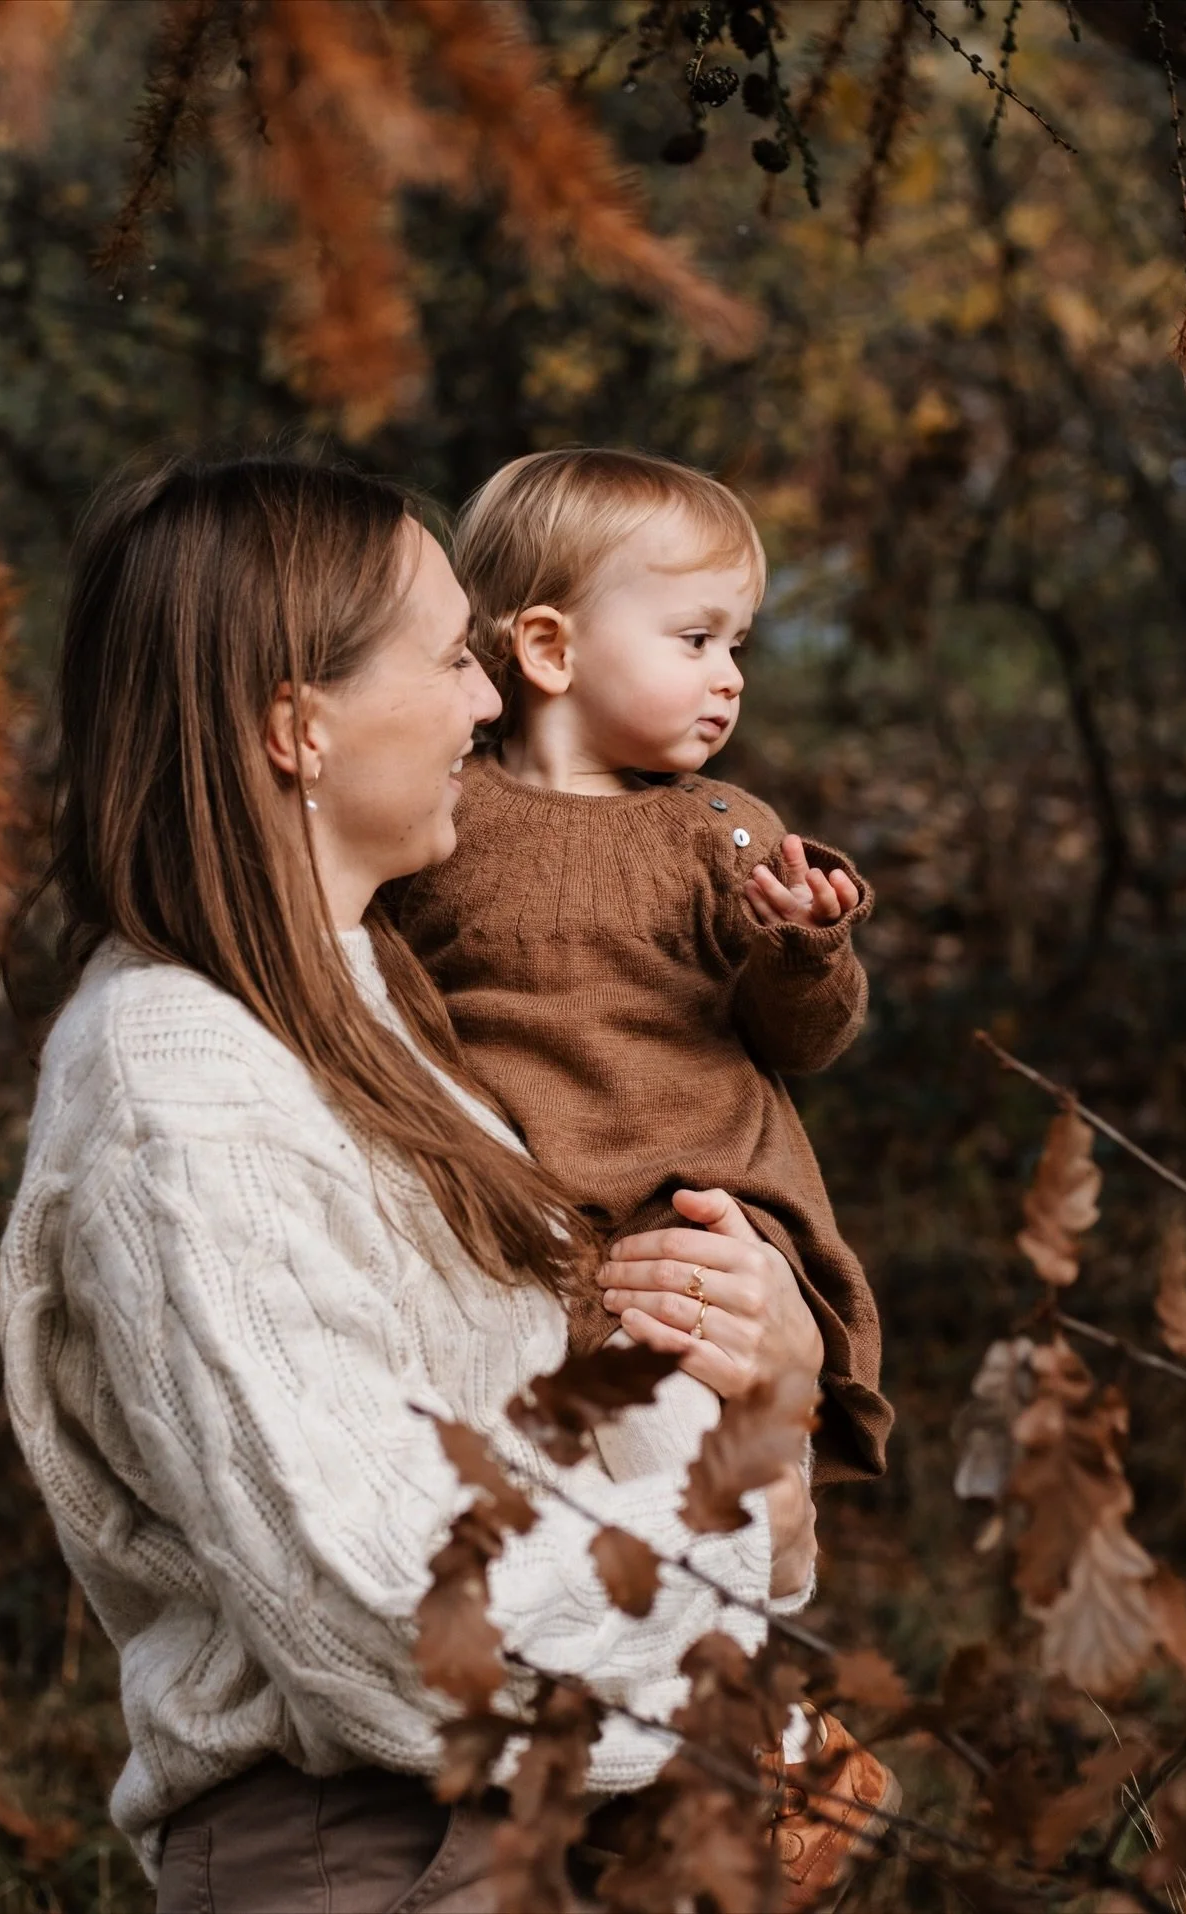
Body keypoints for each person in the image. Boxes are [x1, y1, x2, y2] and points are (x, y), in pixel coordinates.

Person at [0, 452, 832, 1914]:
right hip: (373, 1851)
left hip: (531, 1814)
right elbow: (392, 1621)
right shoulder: (178, 1086)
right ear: (295, 722)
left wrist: (767, 1367)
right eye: (454, 656)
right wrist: (757, 1518)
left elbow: (510, 1441)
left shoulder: (374, 1003)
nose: (493, 701)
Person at [393, 447, 892, 1490]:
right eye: (696, 638)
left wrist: (803, 951)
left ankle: (716, 1593)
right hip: (513, 1211)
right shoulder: (444, 817)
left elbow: (805, 1042)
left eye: (738, 644)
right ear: (547, 648)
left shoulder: (724, 833)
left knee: (671, 1445)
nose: (732, 676)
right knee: (516, 1471)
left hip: (695, 1209)